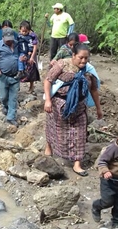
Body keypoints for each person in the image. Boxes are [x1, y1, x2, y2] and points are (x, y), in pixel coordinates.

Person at [44, 43, 102, 176]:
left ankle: (77, 163)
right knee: (55, 128)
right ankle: (49, 147)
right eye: (80, 57)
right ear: (73, 55)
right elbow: (48, 80)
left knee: (80, 133)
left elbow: (93, 89)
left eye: (86, 58)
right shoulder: (62, 65)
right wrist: (47, 100)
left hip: (79, 106)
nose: (83, 61)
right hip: (59, 104)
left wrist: (99, 108)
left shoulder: (89, 71)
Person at [0, 28, 26, 126]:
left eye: (11, 38)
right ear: (3, 37)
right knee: (4, 96)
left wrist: (24, 58)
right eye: (7, 39)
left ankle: (11, 117)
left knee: (13, 97)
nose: (9, 41)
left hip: (16, 76)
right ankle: (5, 106)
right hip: (2, 76)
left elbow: (24, 54)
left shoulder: (18, 45)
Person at [0, 20, 18, 102]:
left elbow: (19, 44)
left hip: (10, 59)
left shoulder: (14, 34)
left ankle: (10, 98)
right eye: (5, 28)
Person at [18, 20, 40, 93]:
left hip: (30, 55)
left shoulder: (32, 36)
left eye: (26, 31)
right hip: (21, 53)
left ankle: (31, 86)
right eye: (22, 31)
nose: (24, 33)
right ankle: (17, 87)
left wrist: (32, 57)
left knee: (31, 70)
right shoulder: (19, 36)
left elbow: (34, 46)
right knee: (19, 68)